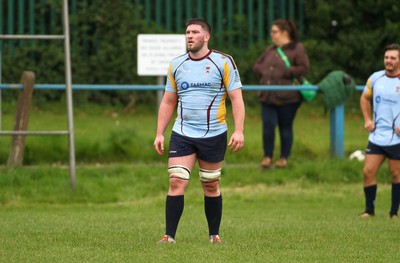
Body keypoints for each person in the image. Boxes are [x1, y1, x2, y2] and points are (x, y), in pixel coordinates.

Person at [153, 18, 245, 244]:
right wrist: (159, 133)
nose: (189, 36)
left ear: (206, 37)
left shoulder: (223, 62)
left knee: (210, 183)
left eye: (194, 32)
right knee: (176, 181)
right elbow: (167, 102)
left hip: (214, 133)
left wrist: (239, 130)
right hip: (182, 132)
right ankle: (169, 236)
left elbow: (237, 99)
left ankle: (214, 235)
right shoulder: (176, 65)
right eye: (187, 32)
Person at [253, 19, 309, 169]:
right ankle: (267, 157)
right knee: (268, 126)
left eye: (274, 31)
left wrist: (287, 72)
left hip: (288, 98)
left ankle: (284, 158)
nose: (272, 34)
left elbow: (304, 68)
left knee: (285, 127)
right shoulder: (270, 50)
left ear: (284, 33)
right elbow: (257, 65)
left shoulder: (297, 49)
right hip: (267, 96)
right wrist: (264, 71)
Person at [359, 43, 400, 218]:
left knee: (396, 174)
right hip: (377, 136)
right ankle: (369, 211)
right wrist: (367, 119)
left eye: (393, 58)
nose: (388, 61)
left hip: (397, 138)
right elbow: (364, 97)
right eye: (386, 57)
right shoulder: (375, 78)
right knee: (368, 172)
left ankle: (393, 213)